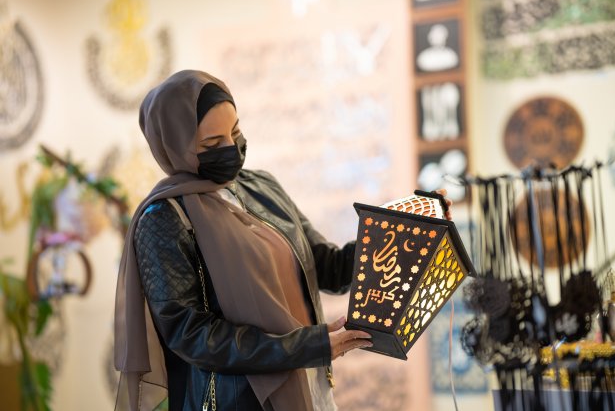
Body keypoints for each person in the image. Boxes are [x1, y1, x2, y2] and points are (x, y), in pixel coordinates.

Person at [114, 70, 452, 411]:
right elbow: (192, 336)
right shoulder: (163, 219)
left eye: (235, 132)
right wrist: (307, 346)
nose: (231, 148)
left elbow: (328, 268)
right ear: (174, 147)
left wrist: (407, 228)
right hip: (239, 401)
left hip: (309, 384)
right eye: (213, 145)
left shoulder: (261, 187)